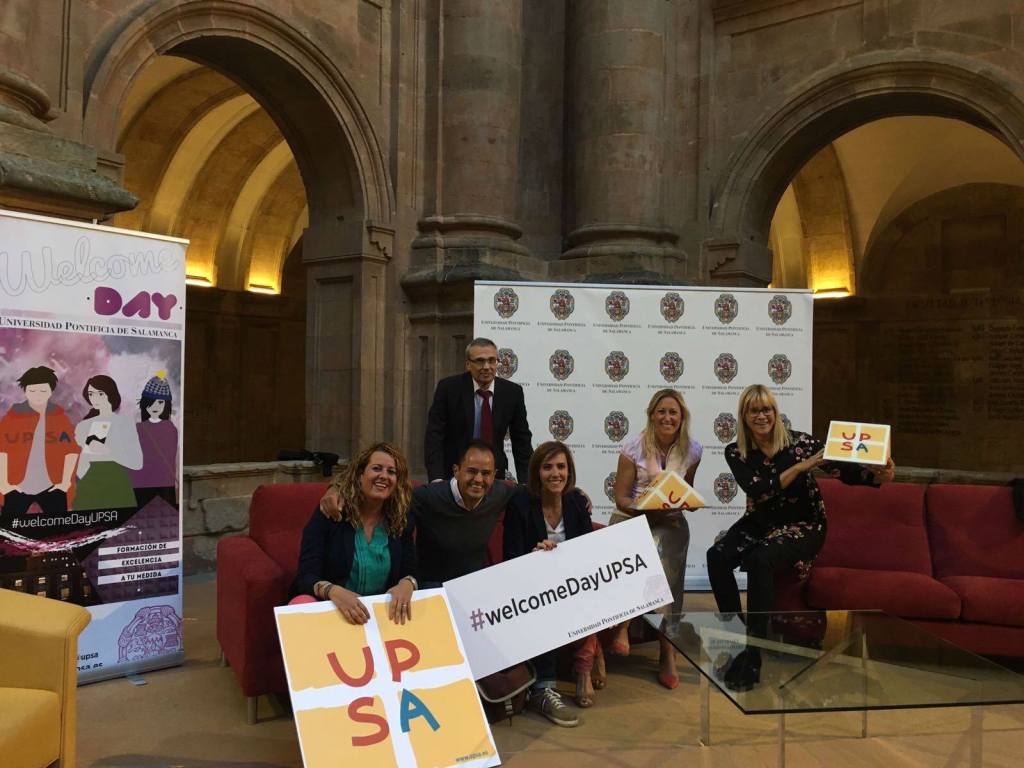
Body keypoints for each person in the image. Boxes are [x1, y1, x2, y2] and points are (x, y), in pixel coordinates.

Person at [708, 383, 896, 691]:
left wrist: (878, 475)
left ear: (775, 411)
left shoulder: (800, 442)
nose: (762, 415)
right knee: (716, 557)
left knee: (760, 560)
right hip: (761, 522)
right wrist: (803, 467)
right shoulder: (737, 452)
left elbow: (842, 469)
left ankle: (753, 653)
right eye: (754, 410)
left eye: (767, 408)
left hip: (805, 524)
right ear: (744, 415)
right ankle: (735, 632)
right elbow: (760, 488)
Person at [610, 388, 702, 690]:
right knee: (646, 545)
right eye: (661, 411)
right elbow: (620, 497)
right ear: (651, 415)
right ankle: (622, 624)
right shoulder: (633, 447)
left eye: (673, 412)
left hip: (670, 521)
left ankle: (668, 649)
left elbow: (686, 489)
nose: (667, 417)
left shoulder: (694, 450)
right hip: (633, 516)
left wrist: (683, 503)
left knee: (668, 547)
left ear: (682, 417)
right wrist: (645, 507)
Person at [503, 441, 600, 709]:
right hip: (533, 587)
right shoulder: (519, 504)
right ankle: (545, 685)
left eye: (561, 467)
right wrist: (535, 554)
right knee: (547, 607)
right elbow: (510, 558)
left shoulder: (577, 503)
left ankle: (584, 668)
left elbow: (588, 554)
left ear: (569, 471)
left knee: (596, 594)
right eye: (547, 467)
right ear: (536, 472)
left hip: (573, 582)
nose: (555, 473)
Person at [293, 442, 417, 625]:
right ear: (360, 475)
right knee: (299, 604)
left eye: (391, 472)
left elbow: (412, 570)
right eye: (376, 468)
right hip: (333, 608)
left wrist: (408, 583)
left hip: (381, 615)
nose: (384, 476)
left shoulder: (400, 518)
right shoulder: (331, 512)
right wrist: (333, 591)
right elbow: (305, 576)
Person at [424, 337, 532, 483]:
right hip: (454, 475)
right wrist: (436, 478)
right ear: (468, 364)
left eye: (492, 360)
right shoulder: (448, 389)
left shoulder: (512, 392)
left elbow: (522, 441)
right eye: (480, 361)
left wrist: (527, 483)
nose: (487, 366)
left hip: (494, 475)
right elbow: (434, 436)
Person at [0, 366, 80, 525]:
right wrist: (4, 484)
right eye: (33, 390)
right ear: (26, 391)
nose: (37, 395)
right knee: (9, 534)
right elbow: (2, 451)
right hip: (17, 486)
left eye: (43, 391)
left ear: (50, 392)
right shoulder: (13, 417)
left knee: (59, 533)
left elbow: (71, 452)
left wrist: (64, 483)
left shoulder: (59, 418)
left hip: (52, 486)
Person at [73, 375, 143, 511]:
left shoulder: (124, 423)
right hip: (89, 485)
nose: (95, 398)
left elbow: (137, 462)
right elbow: (84, 460)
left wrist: (109, 452)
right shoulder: (84, 425)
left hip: (115, 483)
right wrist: (81, 482)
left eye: (100, 394)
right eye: (91, 394)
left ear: (110, 394)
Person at [129, 372, 179, 508]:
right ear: (145, 403)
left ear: (166, 404)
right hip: (143, 484)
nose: (155, 407)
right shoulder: (138, 429)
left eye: (160, 402)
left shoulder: (171, 429)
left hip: (162, 483)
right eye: (151, 402)